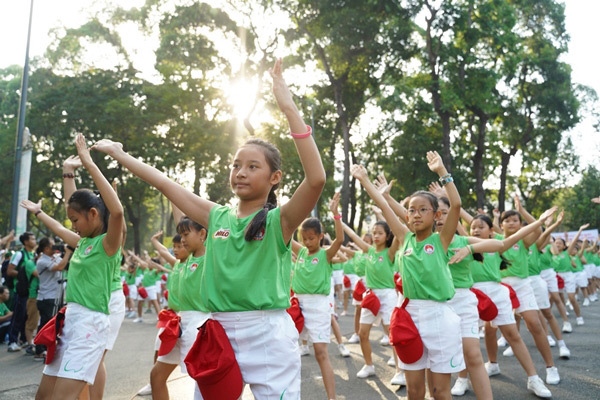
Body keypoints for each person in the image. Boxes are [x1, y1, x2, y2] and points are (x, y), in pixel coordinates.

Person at [93, 58, 325, 399]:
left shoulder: (281, 220)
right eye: (236, 165)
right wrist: (120, 155)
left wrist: (288, 107)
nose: (240, 172)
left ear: (274, 178)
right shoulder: (216, 216)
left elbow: (316, 178)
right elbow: (166, 183)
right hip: (217, 331)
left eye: (252, 166)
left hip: (269, 335)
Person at [351, 151, 463, 400]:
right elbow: (383, 205)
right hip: (410, 316)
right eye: (411, 210)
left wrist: (442, 171)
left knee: (440, 391)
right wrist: (364, 180)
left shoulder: (441, 240)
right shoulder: (404, 237)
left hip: (439, 316)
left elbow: (455, 204)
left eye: (423, 209)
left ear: (436, 216)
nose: (416, 214)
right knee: (414, 390)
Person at [22, 133, 124, 400]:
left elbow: (117, 213)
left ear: (93, 214)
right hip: (70, 322)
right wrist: (38, 211)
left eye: (76, 219)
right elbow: (59, 224)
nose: (72, 225)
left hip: (90, 325)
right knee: (43, 397)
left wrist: (89, 162)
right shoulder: (83, 243)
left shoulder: (108, 245)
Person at [291, 193, 343, 399]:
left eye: (311, 238)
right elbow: (286, 236)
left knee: (321, 353)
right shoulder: (302, 252)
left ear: (320, 237)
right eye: (304, 238)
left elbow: (339, 239)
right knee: (290, 352)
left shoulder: (325, 254)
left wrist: (335, 214)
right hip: (298, 305)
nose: (307, 242)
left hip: (319, 306)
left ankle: (332, 397)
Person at [34, 237, 71, 361]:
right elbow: (59, 267)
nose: (55, 247)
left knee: (54, 323)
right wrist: (67, 253)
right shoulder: (42, 261)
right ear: (46, 248)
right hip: (47, 297)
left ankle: (48, 347)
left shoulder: (54, 258)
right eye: (52, 246)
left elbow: (65, 264)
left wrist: (68, 253)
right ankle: (39, 350)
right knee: (46, 324)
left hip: (55, 296)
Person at [6, 231, 37, 352]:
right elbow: (10, 271)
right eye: (32, 239)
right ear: (26, 242)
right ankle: (12, 341)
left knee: (27, 316)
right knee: (18, 316)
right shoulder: (19, 254)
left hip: (31, 291)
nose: (34, 241)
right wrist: (25, 274)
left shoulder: (33, 254)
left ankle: (24, 340)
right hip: (21, 290)